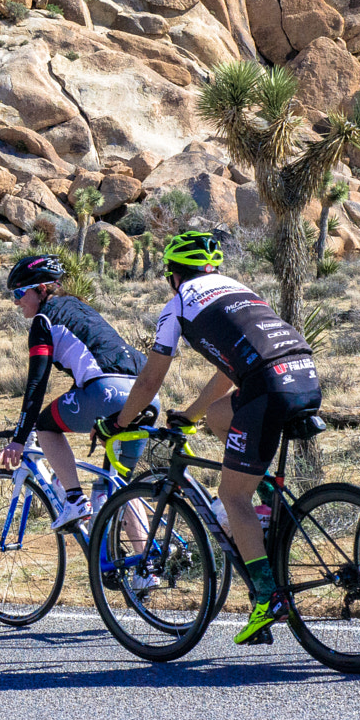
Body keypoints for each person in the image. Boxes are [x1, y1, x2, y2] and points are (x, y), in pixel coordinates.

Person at [104, 231, 320, 646]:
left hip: (266, 387)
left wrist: (119, 423)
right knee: (220, 418)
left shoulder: (178, 305)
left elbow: (150, 380)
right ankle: (264, 511)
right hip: (304, 375)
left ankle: (264, 596)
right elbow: (229, 369)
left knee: (232, 495)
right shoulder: (239, 290)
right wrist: (191, 415)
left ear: (172, 276)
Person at [0, 254, 147, 530]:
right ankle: (146, 569)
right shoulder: (80, 307)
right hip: (145, 393)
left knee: (45, 426)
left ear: (42, 289)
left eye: (19, 292)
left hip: (107, 392)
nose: (16, 301)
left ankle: (75, 499)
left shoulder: (43, 319)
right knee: (119, 487)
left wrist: (19, 439)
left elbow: (36, 384)